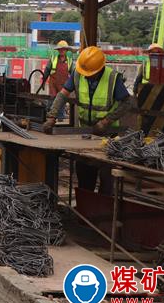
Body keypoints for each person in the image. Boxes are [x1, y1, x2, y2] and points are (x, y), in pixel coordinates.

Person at [43, 46, 134, 194]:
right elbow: (63, 94)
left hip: (108, 138)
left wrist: (106, 121)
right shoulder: (78, 74)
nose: (87, 76)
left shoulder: (112, 78)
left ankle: (103, 211)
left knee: (107, 179)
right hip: (84, 135)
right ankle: (85, 208)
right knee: (85, 176)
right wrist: (52, 116)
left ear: (99, 69)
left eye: (90, 74)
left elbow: (127, 103)